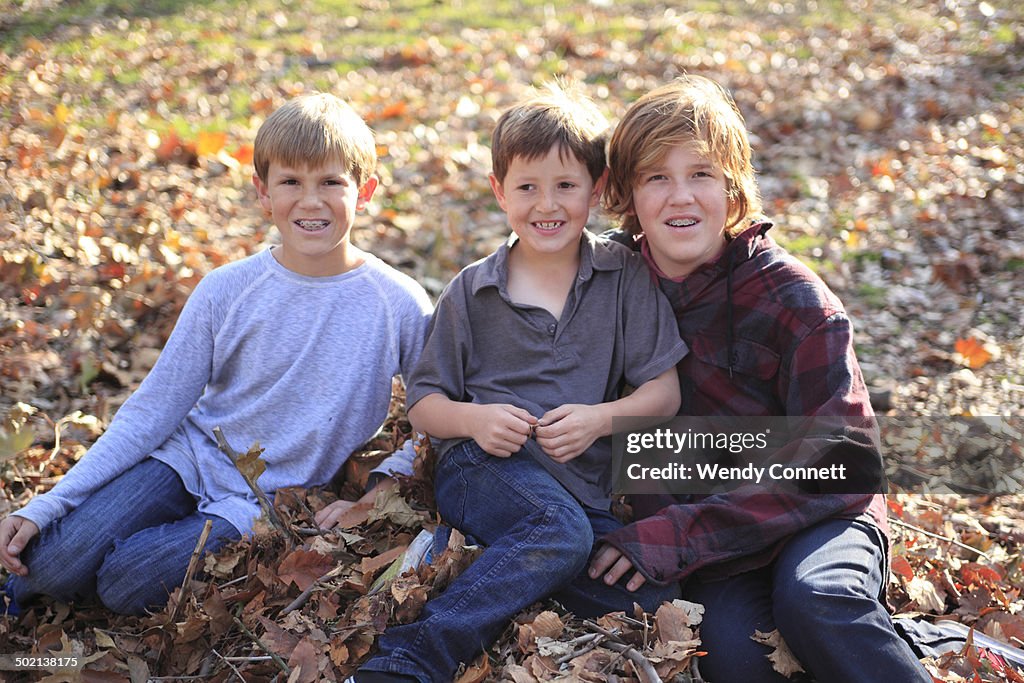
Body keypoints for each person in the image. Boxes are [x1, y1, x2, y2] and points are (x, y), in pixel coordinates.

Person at [0, 93, 433, 617]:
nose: (311, 201)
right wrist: (53, 503)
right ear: (263, 193)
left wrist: (374, 494)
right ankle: (39, 587)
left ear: (364, 192)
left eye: (331, 182)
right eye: (291, 182)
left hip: (261, 499)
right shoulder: (227, 289)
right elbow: (154, 407)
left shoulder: (397, 302)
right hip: (187, 458)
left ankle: (93, 577)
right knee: (54, 560)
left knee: (124, 583)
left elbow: (431, 418)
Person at [588, 75, 934, 682]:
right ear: (626, 193)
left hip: (820, 514)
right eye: (656, 178)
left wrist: (679, 531)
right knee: (736, 656)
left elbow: (843, 463)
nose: (680, 198)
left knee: (817, 599)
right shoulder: (610, 289)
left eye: (701, 174)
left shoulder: (793, 299)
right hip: (723, 545)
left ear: (733, 185)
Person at [354, 82, 689, 683]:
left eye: (566, 185)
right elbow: (425, 404)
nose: (547, 204)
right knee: (559, 532)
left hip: (580, 490)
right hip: (481, 468)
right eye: (527, 187)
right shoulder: (472, 290)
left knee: (650, 597)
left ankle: (476, 562)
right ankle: (406, 661)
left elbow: (664, 393)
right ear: (498, 192)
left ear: (597, 187)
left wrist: (600, 419)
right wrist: (476, 420)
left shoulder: (623, 277)